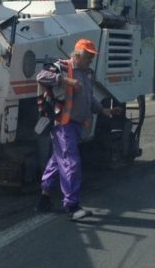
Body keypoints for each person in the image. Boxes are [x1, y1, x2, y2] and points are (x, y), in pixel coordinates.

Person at [34, 38, 117, 221]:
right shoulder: (63, 68)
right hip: (63, 124)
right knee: (71, 162)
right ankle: (71, 206)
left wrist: (102, 110)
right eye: (88, 56)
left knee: (58, 161)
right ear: (78, 55)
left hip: (75, 125)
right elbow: (40, 77)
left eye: (92, 57)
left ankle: (44, 197)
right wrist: (65, 80)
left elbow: (89, 98)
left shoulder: (87, 74)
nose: (91, 60)